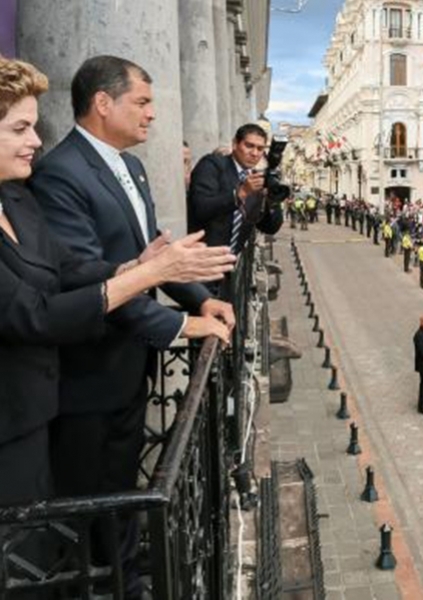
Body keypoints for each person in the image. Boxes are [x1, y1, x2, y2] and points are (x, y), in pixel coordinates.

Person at [29, 55, 236, 599]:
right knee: (88, 501)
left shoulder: (134, 167)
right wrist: (182, 326)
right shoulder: (61, 174)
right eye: (141, 102)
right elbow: (94, 281)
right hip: (89, 375)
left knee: (119, 484)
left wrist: (202, 299)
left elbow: (152, 258)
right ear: (103, 103)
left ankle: (127, 577)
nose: (151, 115)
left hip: (127, 368)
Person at [187, 123, 283, 254]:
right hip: (202, 256)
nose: (254, 153)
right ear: (235, 144)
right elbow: (201, 208)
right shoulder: (212, 165)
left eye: (260, 148)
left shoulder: (256, 180)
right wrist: (241, 193)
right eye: (249, 146)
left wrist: (272, 200)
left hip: (231, 260)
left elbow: (270, 228)